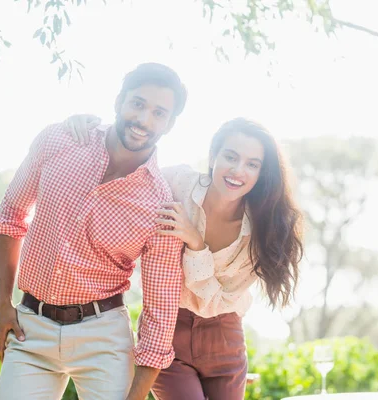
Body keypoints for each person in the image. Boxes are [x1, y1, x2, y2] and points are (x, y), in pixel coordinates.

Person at [68, 116, 304, 400]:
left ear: (261, 173)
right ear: (213, 155)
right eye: (231, 156)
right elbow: (127, 172)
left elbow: (215, 300)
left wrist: (195, 242)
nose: (238, 170)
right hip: (168, 330)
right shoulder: (178, 183)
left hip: (224, 337)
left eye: (252, 164)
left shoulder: (261, 233)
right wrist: (91, 129)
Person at [0, 62, 188, 400]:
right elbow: (11, 215)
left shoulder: (160, 205)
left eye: (159, 113)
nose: (143, 120)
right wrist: (3, 304)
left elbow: (160, 311)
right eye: (138, 104)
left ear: (170, 124)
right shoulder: (60, 140)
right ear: (119, 101)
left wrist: (136, 395)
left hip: (104, 338)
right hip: (30, 328)